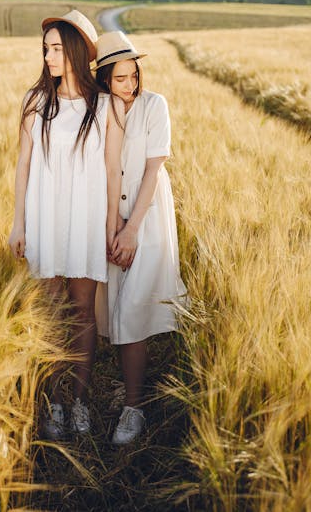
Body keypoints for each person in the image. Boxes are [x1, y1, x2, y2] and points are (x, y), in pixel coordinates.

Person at [9, 10, 124, 440]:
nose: (48, 56)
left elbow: (113, 171)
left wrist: (111, 226)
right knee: (52, 312)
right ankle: (54, 401)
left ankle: (77, 400)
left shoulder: (105, 104)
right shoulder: (36, 102)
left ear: (76, 51)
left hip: (87, 219)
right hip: (45, 218)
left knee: (82, 312)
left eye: (57, 48)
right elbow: (23, 166)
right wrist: (18, 223)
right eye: (46, 48)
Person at [95, 31, 188, 445]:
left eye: (133, 75)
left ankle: (134, 409)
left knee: (133, 309)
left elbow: (153, 171)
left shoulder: (155, 106)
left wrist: (131, 230)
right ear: (104, 80)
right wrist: (111, 226)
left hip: (147, 219)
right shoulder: (101, 110)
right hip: (110, 217)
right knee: (116, 308)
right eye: (120, 78)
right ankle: (131, 389)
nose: (130, 85)